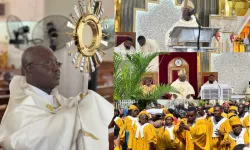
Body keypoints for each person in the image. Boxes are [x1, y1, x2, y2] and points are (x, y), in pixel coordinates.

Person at [0, 45, 113, 150]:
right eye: (48, 63)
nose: (56, 69)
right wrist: (78, 113)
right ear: (29, 68)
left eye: (57, 63)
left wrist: (84, 100)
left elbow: (66, 107)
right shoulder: (20, 109)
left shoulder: (55, 97)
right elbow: (32, 142)